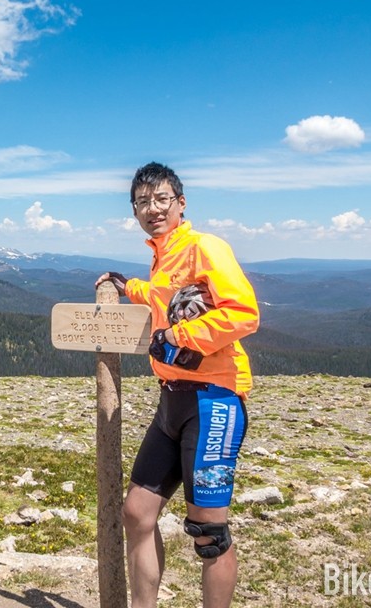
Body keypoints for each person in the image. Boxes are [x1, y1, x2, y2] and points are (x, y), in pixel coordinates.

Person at [96, 161, 259, 608]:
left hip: (214, 401)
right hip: (173, 404)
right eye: (142, 202)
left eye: (161, 199)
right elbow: (161, 296)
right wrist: (124, 284)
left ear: (181, 203)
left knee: (209, 534)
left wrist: (178, 337)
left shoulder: (205, 246)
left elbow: (244, 313)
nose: (152, 208)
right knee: (136, 512)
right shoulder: (164, 255)